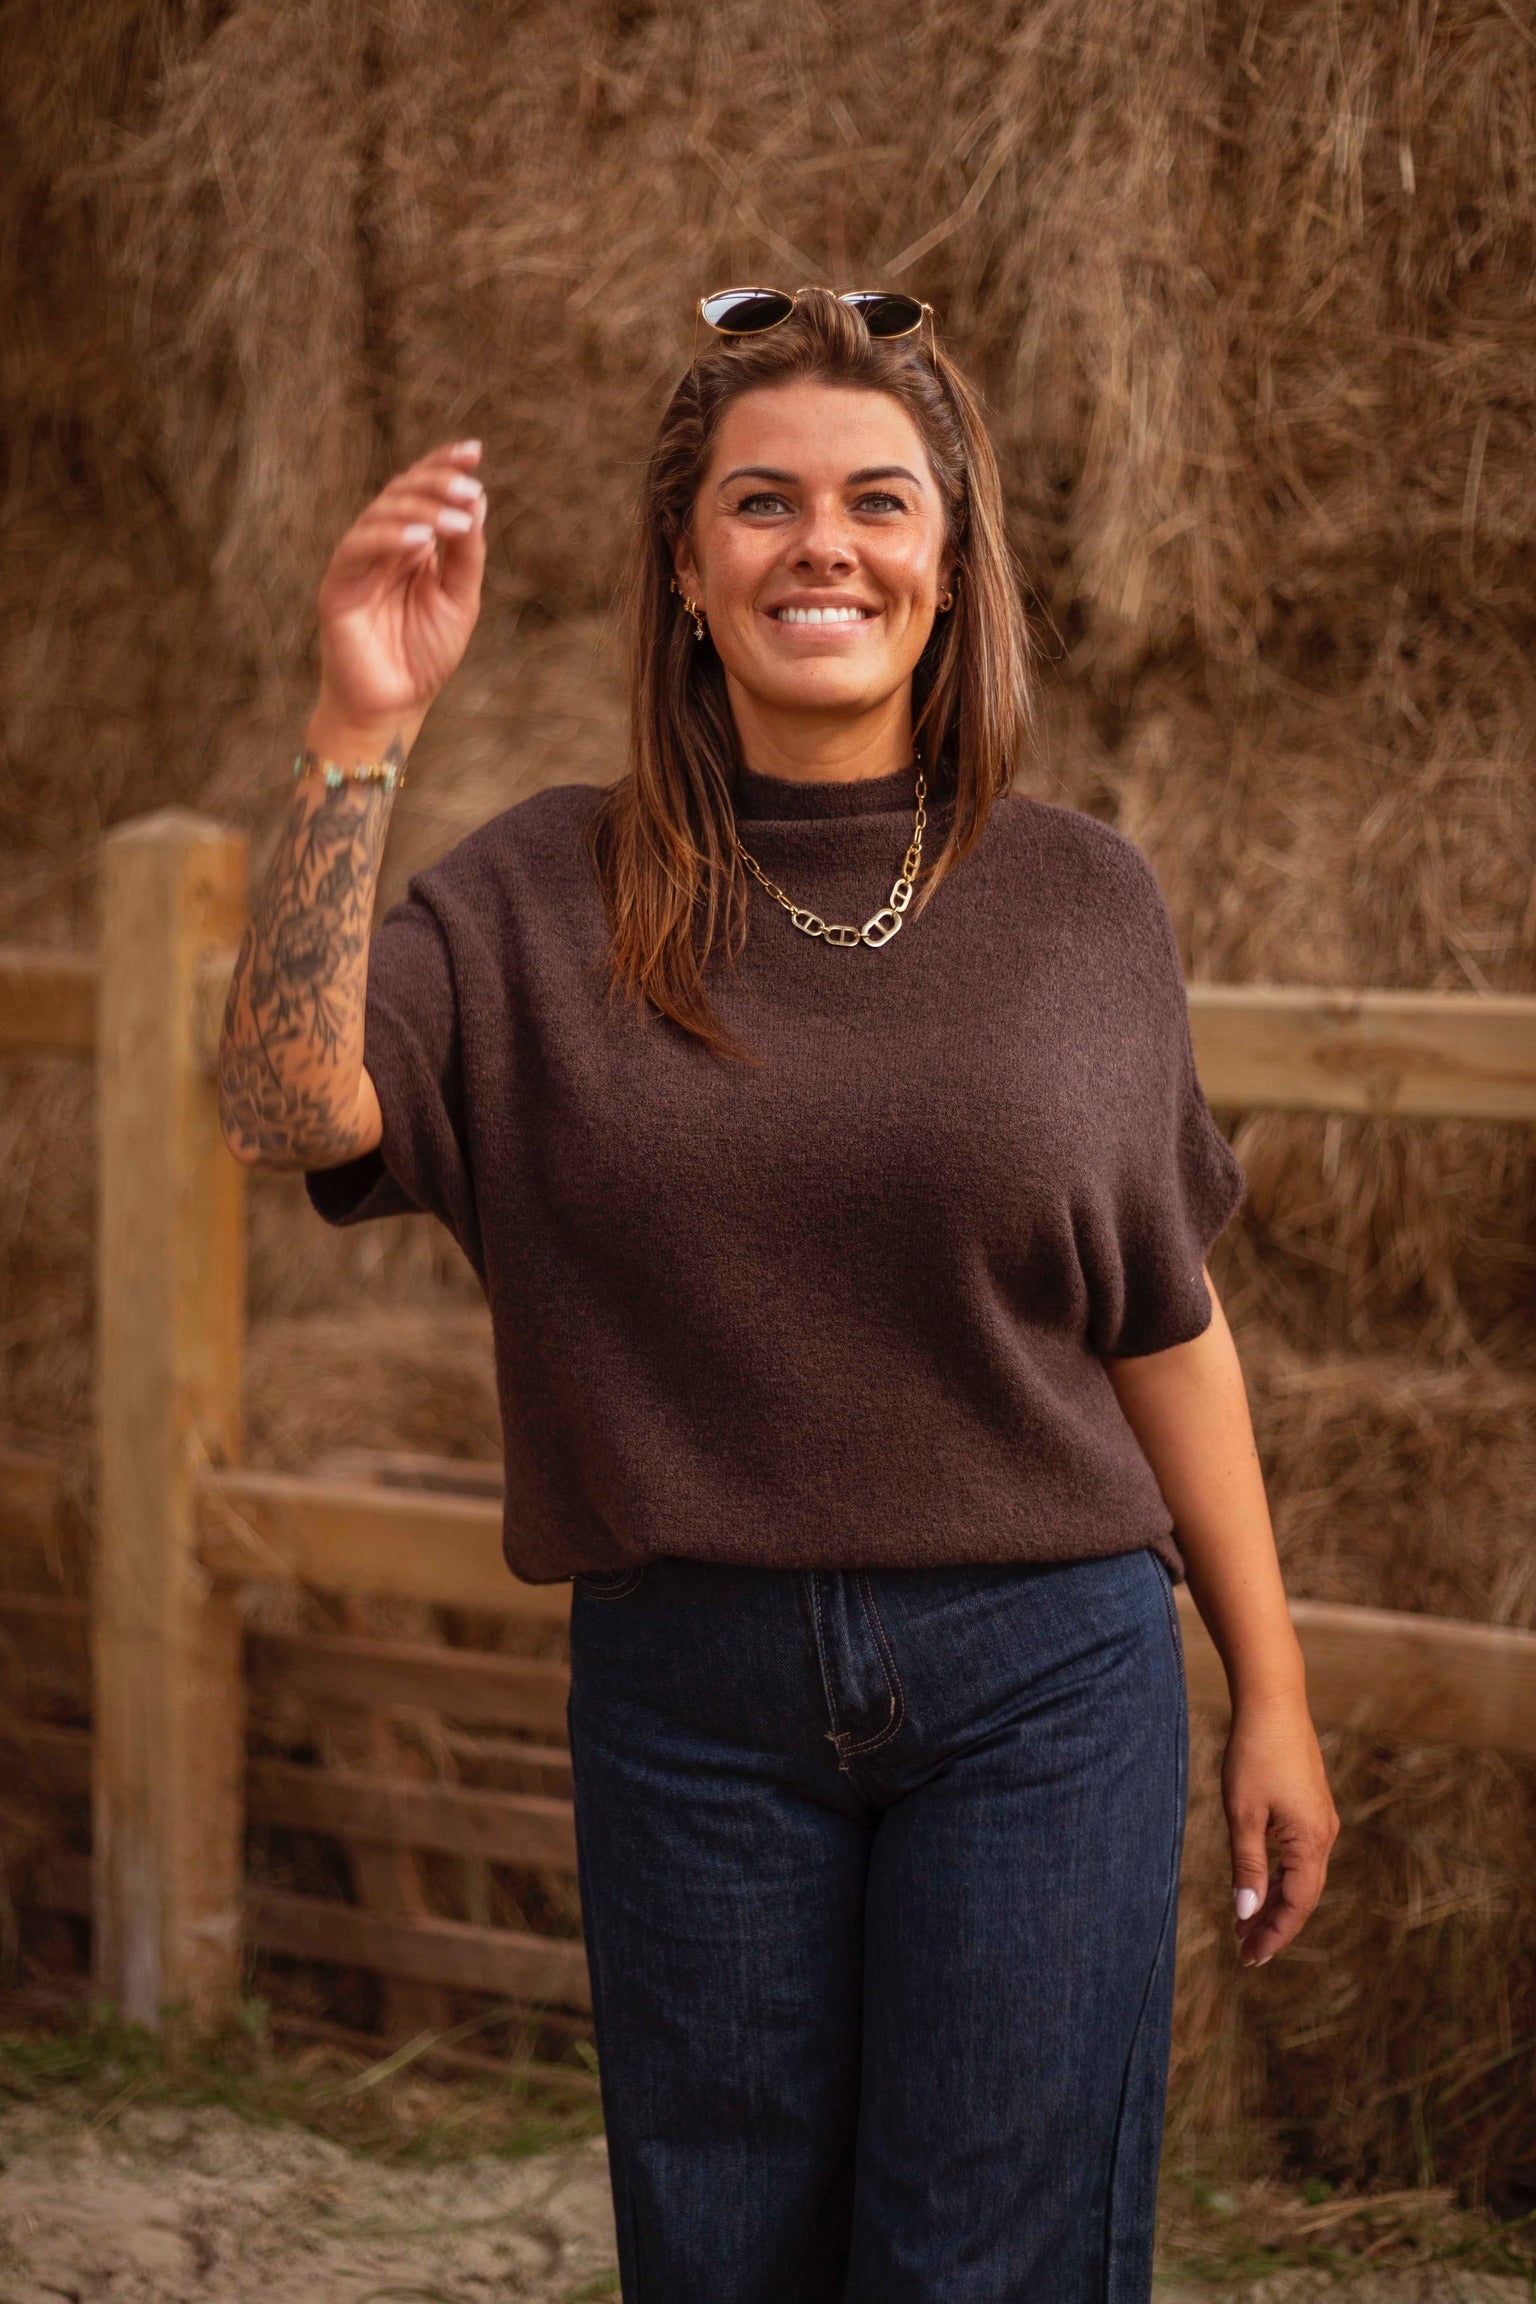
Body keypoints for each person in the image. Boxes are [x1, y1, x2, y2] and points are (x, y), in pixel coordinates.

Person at [218, 285, 1338, 2304]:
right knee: (724, 2264)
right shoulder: (541, 894)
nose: (823, 543)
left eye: (878, 501)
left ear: (950, 565)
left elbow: (1163, 1324)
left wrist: (1274, 1691)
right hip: (689, 1694)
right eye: (762, 501)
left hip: (1045, 1682)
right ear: (684, 565)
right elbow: (283, 1103)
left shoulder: (1082, 899)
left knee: (984, 2268)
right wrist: (360, 726)